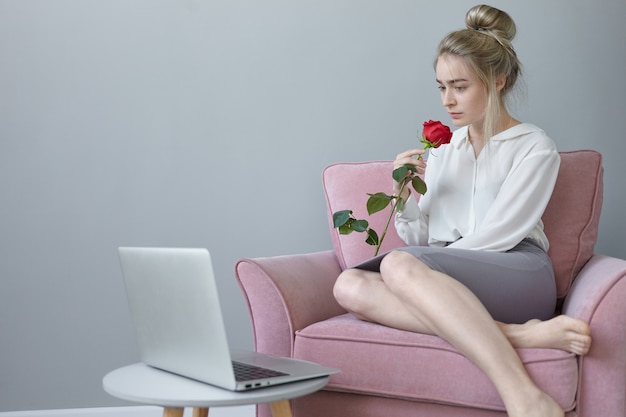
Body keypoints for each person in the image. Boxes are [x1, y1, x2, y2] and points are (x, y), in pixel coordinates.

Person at [332, 5, 592, 417]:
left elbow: (504, 232)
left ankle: (524, 396)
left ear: (498, 79)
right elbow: (422, 240)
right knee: (347, 285)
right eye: (441, 87)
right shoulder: (442, 151)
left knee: (399, 267)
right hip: (447, 274)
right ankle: (520, 336)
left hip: (516, 268)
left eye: (459, 86)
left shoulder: (534, 146)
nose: (448, 100)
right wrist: (402, 195)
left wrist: (431, 264)